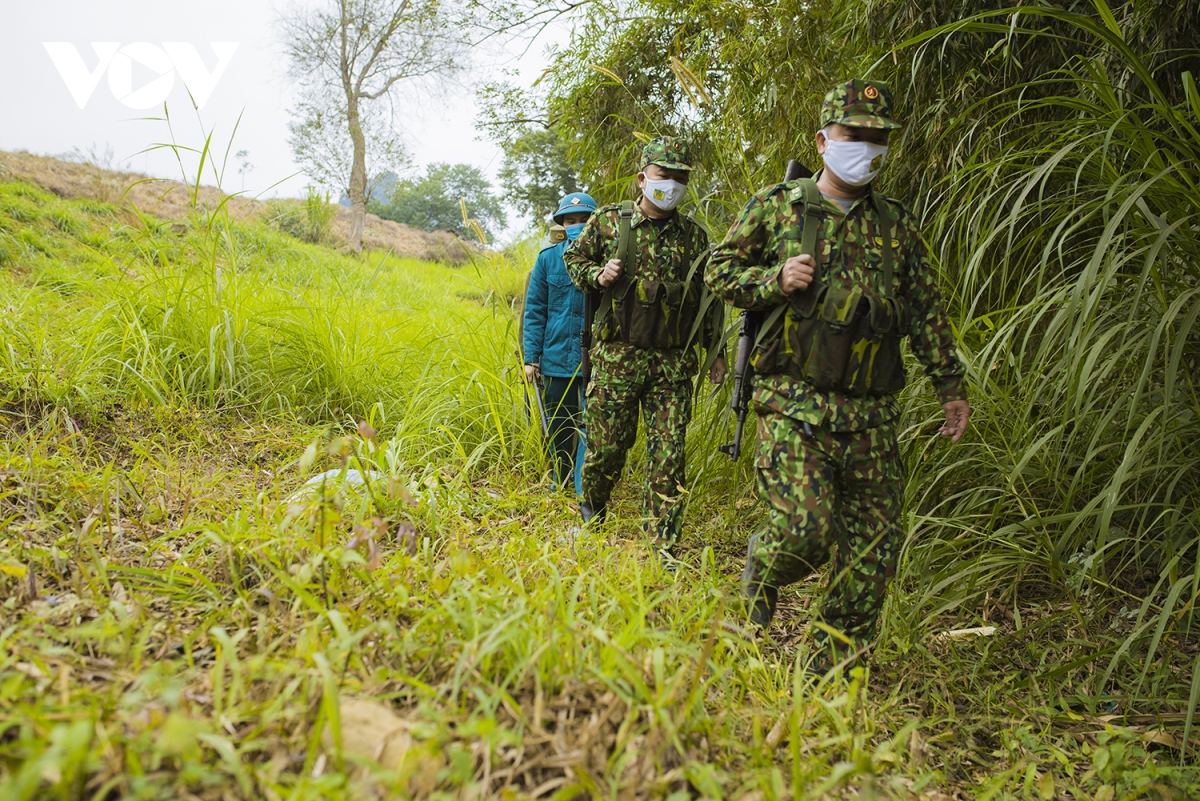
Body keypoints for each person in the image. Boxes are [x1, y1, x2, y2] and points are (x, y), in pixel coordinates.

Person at [706, 80, 970, 663]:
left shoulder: (896, 224)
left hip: (871, 413)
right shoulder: (780, 206)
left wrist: (950, 385)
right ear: (825, 141)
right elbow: (718, 271)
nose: (869, 148)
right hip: (793, 404)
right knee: (805, 530)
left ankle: (827, 668)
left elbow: (925, 310)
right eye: (856, 135)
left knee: (875, 549)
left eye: (879, 138)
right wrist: (772, 281)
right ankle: (763, 563)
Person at [564, 136, 726, 558]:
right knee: (606, 451)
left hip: (671, 366)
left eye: (679, 178)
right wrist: (599, 275)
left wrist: (715, 353)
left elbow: (706, 301)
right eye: (662, 175)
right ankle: (591, 511)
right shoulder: (608, 222)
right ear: (642, 178)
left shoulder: (694, 237)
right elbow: (574, 261)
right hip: (617, 358)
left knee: (669, 456)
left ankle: (662, 544)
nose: (670, 184)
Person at [523, 192, 598, 496]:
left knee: (591, 426)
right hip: (554, 358)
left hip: (594, 361)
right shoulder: (548, 259)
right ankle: (560, 480)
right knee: (558, 426)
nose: (577, 225)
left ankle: (585, 488)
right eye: (571, 221)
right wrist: (531, 358)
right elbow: (535, 311)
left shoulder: (605, 261)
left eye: (584, 220)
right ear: (562, 225)